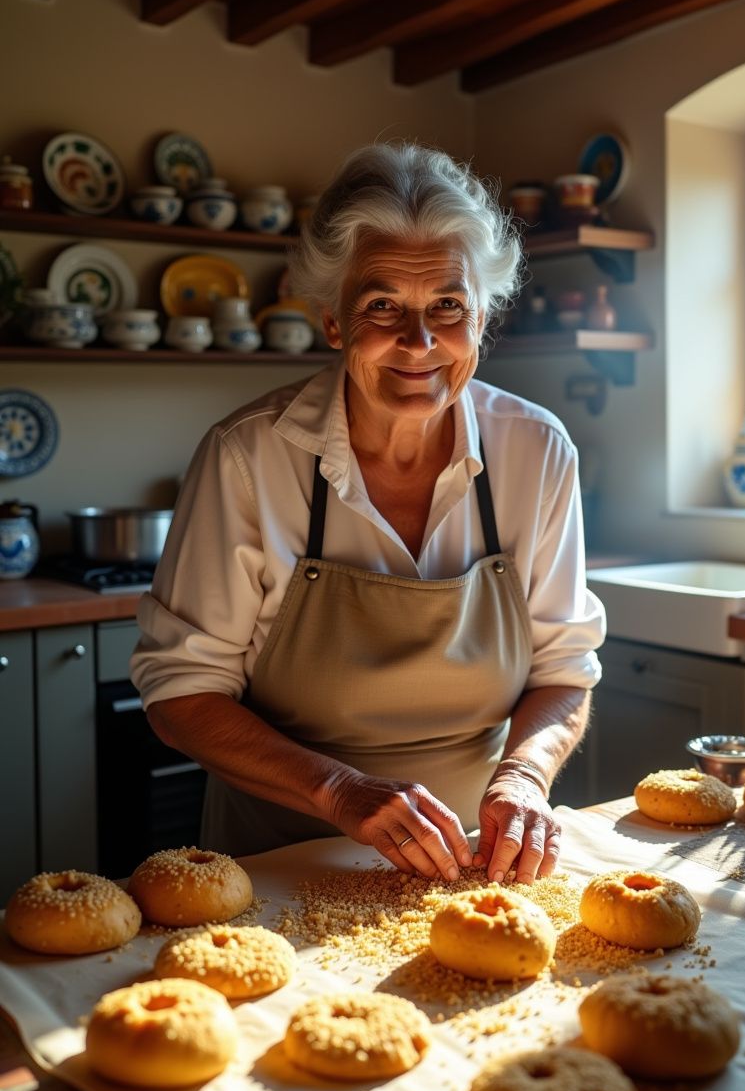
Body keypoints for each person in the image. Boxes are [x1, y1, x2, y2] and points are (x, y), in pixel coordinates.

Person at [131, 142, 605, 886]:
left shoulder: (537, 451)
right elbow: (180, 694)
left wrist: (523, 778)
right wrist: (340, 791)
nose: (419, 343)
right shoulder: (247, 458)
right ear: (331, 322)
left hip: (476, 869)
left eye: (448, 306)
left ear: (481, 320)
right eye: (382, 305)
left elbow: (564, 668)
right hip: (280, 866)